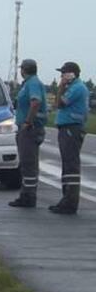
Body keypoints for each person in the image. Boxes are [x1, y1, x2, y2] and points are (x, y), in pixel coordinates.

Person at [50, 62, 90, 215]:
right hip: (68, 128)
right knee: (67, 166)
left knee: (71, 166)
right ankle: (66, 199)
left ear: (71, 74)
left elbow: (60, 103)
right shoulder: (74, 87)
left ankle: (70, 202)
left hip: (71, 128)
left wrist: (61, 86)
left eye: (64, 73)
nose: (61, 76)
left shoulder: (77, 88)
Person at [9, 59, 48, 208]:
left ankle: (29, 197)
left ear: (24, 70)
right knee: (26, 164)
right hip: (29, 127)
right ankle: (26, 194)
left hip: (30, 128)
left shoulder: (32, 83)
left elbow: (35, 102)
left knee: (29, 164)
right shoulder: (30, 83)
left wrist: (27, 121)